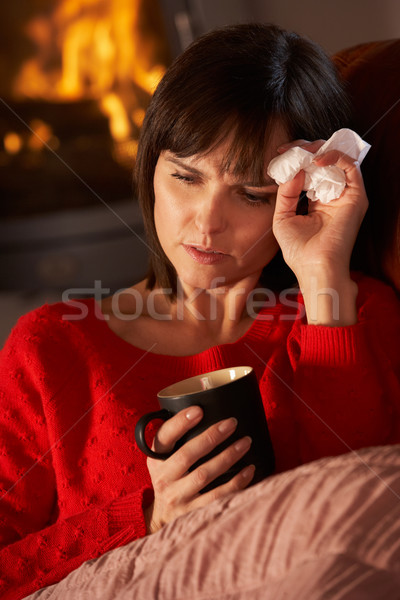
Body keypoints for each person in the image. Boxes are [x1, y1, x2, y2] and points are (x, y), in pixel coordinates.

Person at [1, 23, 400, 600]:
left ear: (305, 194)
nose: (206, 223)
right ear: (151, 172)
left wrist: (321, 279)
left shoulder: (355, 312)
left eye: (251, 194)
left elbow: (364, 521)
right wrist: (148, 519)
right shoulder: (52, 347)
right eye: (185, 177)